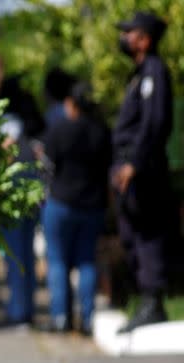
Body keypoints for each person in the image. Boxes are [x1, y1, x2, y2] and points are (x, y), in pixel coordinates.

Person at [111, 12, 175, 333]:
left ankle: (153, 301)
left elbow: (154, 123)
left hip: (143, 170)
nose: (124, 38)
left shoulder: (154, 72)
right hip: (129, 167)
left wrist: (134, 163)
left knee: (148, 232)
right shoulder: (139, 74)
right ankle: (145, 299)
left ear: (145, 39)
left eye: (130, 32)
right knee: (131, 233)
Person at [41, 82, 112, 335]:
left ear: (71, 103)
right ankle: (88, 318)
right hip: (92, 205)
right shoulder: (101, 131)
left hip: (60, 203)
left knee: (58, 260)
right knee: (86, 261)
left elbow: (47, 164)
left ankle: (60, 317)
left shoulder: (59, 129)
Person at [0, 76, 45, 327]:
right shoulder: (33, 123)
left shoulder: (6, 122)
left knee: (14, 255)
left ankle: (19, 311)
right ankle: (28, 308)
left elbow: (4, 153)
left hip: (11, 194)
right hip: (32, 192)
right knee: (27, 253)